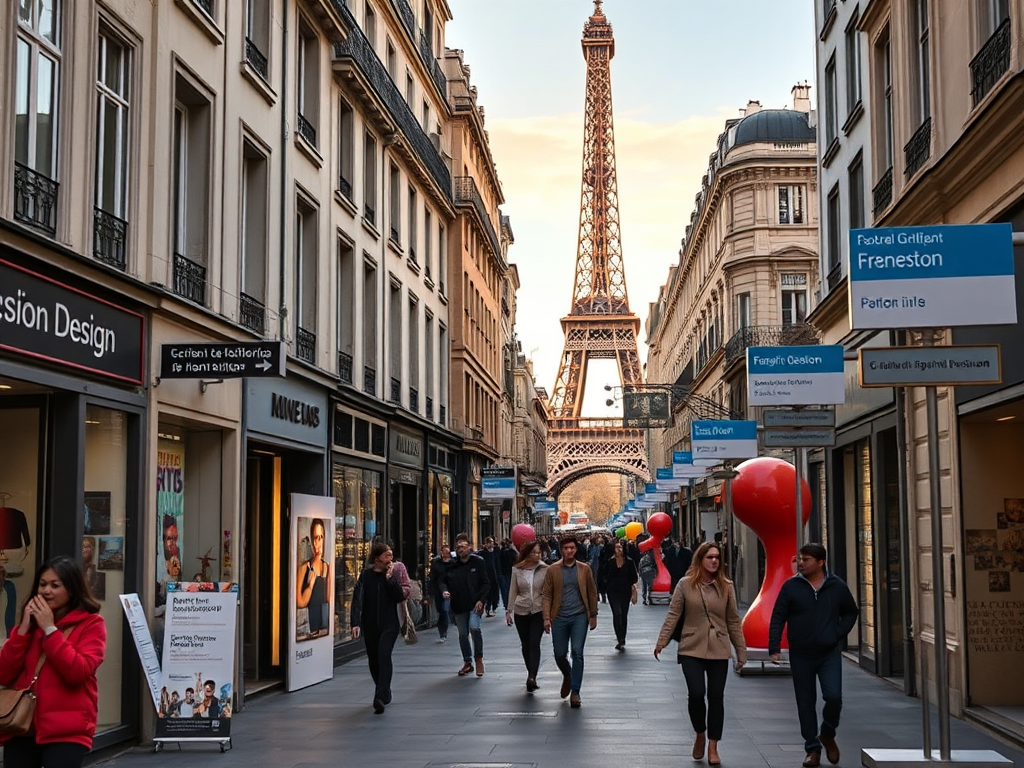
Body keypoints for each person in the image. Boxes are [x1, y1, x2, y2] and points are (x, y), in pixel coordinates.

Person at [0, 555, 106, 768]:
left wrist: (50, 629)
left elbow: (78, 671)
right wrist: (22, 631)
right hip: (21, 725)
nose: (46, 591)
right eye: (42, 584)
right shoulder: (29, 625)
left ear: (72, 589)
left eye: (55, 585)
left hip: (67, 733)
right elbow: (4, 674)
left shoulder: (92, 624)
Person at [655, 542, 747, 767]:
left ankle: (713, 745)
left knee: (716, 697)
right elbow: (673, 614)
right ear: (700, 560)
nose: (714, 561)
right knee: (696, 694)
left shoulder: (726, 586)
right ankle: (699, 732)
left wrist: (741, 650)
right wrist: (662, 641)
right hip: (691, 646)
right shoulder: (685, 585)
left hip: (719, 647)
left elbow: (733, 619)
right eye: (709, 557)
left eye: (717, 557)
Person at [769, 543, 858, 768]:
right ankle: (812, 748)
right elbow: (778, 616)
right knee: (805, 703)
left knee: (834, 696)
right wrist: (774, 647)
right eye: (800, 559)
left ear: (820, 562)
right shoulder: (792, 586)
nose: (801, 563)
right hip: (801, 654)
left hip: (828, 653)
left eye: (806, 559)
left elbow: (851, 611)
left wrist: (837, 634)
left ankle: (827, 732)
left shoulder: (836, 586)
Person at [350, 542, 410, 713]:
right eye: (387, 556)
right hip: (369, 624)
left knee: (384, 654)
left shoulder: (393, 574)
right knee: (374, 659)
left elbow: (399, 596)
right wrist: (355, 622)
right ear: (377, 559)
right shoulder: (366, 576)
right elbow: (357, 599)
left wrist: (391, 579)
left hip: (389, 623)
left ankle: (379, 696)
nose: (390, 559)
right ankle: (384, 690)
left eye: (391, 555)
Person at [541, 535, 598, 708]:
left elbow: (591, 592)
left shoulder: (584, 569)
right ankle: (568, 674)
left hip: (579, 616)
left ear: (576, 549)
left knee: (577, 652)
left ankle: (575, 691)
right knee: (559, 653)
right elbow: (547, 594)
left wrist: (593, 615)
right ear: (561, 550)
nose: (569, 551)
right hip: (559, 616)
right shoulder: (553, 570)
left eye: (572, 548)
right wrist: (546, 617)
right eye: (566, 548)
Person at [441, 533, 490, 676]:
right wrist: (445, 591)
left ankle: (479, 658)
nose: (460, 549)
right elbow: (442, 580)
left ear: (469, 546)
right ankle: (467, 662)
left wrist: (482, 600)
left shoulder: (478, 561)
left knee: (474, 627)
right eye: (458, 547)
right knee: (463, 634)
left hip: (475, 604)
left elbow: (486, 582)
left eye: (463, 546)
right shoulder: (452, 565)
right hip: (458, 604)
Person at [505, 540, 548, 692]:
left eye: (539, 552)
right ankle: (530, 670)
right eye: (534, 552)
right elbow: (513, 590)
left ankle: (532, 676)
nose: (537, 555)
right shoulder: (517, 569)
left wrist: (549, 614)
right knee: (525, 644)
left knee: (534, 642)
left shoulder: (545, 569)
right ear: (527, 554)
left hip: (538, 610)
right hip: (520, 610)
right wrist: (509, 610)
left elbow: (549, 592)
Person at [599, 540, 639, 651]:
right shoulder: (609, 562)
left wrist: (631, 585)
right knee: (617, 613)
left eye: (620, 547)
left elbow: (634, 577)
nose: (618, 549)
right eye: (616, 547)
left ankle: (622, 638)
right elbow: (604, 575)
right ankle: (619, 637)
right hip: (613, 592)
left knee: (623, 615)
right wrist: (606, 585)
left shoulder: (629, 562)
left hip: (625, 591)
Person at [297, 518, 331, 638]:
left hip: (323, 628)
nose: (319, 542)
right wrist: (310, 586)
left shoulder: (327, 567)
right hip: (309, 628)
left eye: (321, 537)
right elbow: (300, 602)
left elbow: (328, 598)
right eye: (316, 538)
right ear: (312, 541)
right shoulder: (305, 567)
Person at [428, 542, 453, 643]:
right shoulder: (436, 563)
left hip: (449, 590)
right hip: (439, 590)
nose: (446, 553)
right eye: (445, 552)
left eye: (448, 551)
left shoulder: (453, 563)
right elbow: (432, 578)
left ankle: (444, 633)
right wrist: (430, 592)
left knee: (445, 610)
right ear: (441, 552)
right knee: (441, 611)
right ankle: (441, 629)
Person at [477, 537, 501, 617]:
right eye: (490, 542)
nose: (492, 544)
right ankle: (486, 609)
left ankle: (491, 608)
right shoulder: (482, 553)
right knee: (487, 593)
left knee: (494, 593)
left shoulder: (495, 551)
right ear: (486, 543)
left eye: (492, 542)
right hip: (486, 576)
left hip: (494, 576)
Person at [498, 539, 516, 611]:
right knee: (509, 588)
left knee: (506, 589)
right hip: (509, 572)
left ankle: (506, 604)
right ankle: (509, 603)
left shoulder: (501, 552)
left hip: (504, 572)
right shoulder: (512, 552)